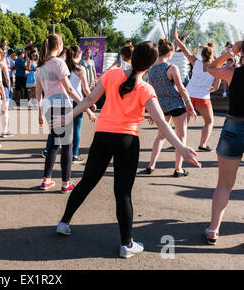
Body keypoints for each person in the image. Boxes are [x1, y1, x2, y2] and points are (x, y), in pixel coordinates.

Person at [54, 41, 201, 259]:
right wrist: (180, 146)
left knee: (87, 181)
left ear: (132, 57)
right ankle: (126, 244)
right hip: (127, 141)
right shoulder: (145, 88)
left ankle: (64, 222)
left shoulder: (113, 74)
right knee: (122, 193)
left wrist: (68, 116)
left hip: (102, 137)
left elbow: (91, 99)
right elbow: (161, 122)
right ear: (150, 65)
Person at [36, 34, 95, 194]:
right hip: (62, 106)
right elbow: (69, 89)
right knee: (67, 146)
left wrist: (40, 113)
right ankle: (66, 182)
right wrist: (86, 106)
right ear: (59, 45)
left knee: (54, 145)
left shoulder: (41, 66)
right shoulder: (59, 63)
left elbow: (38, 92)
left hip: (49, 107)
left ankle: (46, 180)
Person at [205, 40, 243, 245]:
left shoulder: (232, 73)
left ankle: (213, 229)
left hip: (233, 126)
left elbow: (210, 68)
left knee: (224, 184)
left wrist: (229, 52)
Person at [145, 39, 197, 177]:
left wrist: (152, 111)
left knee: (160, 137)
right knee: (181, 137)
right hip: (177, 105)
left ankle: (151, 165)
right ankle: (178, 168)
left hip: (161, 107)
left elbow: (151, 91)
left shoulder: (151, 70)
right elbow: (181, 89)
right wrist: (190, 105)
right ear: (169, 53)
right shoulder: (172, 68)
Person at [174, 29, 221, 152]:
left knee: (184, 120)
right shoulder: (216, 68)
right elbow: (215, 87)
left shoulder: (196, 63)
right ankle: (202, 145)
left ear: (203, 54)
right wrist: (205, 89)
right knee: (209, 121)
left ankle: (178, 142)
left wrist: (176, 38)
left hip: (189, 94)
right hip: (203, 97)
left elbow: (184, 49)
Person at [66, 45, 93, 164]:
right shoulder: (80, 69)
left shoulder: (65, 66)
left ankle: (65, 153)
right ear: (79, 54)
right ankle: (74, 154)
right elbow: (86, 88)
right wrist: (92, 100)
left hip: (64, 100)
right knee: (76, 128)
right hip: (77, 100)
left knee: (65, 129)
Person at [0, 49, 13, 138]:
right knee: (5, 111)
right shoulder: (2, 64)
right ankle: (4, 131)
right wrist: (9, 88)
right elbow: (7, 78)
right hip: (3, 87)